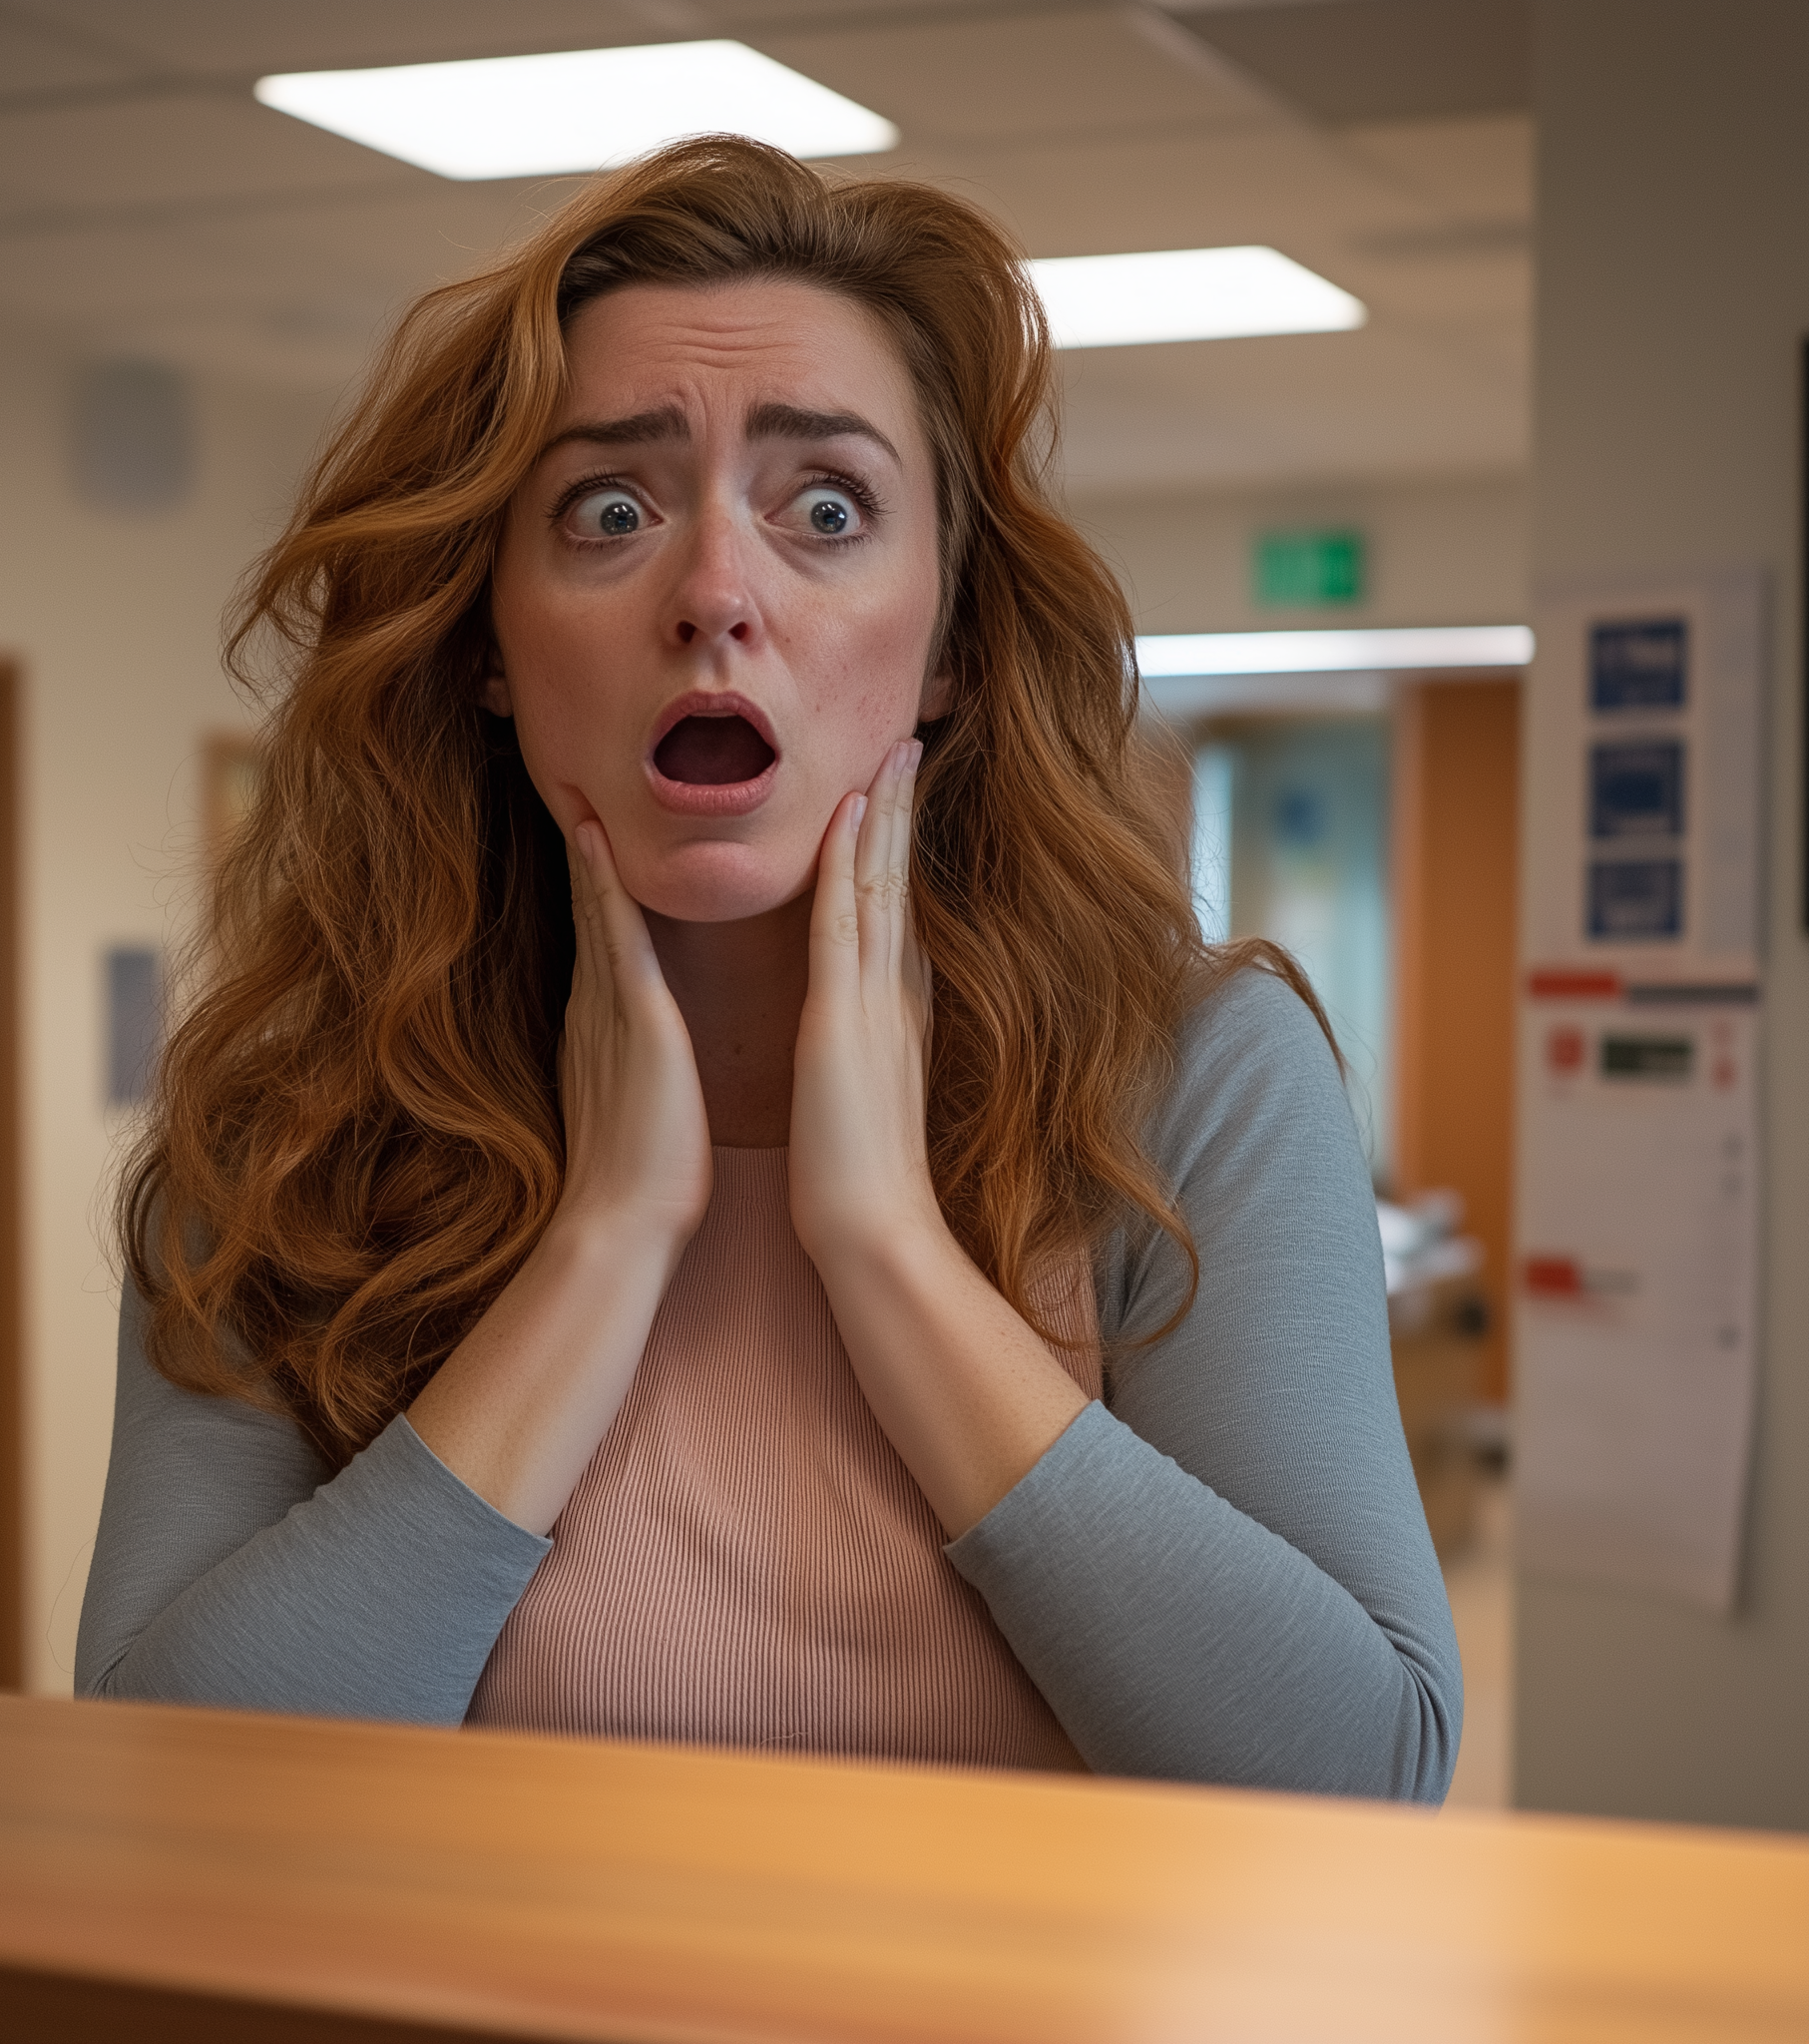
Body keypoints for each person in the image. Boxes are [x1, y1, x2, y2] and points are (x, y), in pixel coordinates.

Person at [76, 137, 1461, 1800]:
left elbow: (1360, 1778)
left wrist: (885, 1248)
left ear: (947, 644)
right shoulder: (296, 1124)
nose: (716, 592)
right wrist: (601, 1249)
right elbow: (162, 1787)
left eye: (826, 508)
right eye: (609, 510)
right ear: (490, 643)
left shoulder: (1190, 1076)